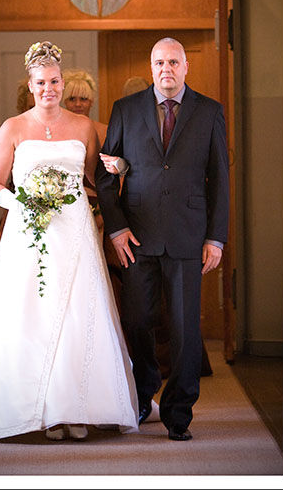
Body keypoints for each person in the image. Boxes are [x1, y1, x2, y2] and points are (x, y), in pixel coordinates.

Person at [0, 41, 138, 442]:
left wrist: (119, 166)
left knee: (77, 315)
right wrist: (21, 203)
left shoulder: (83, 127)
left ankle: (76, 409)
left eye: (54, 81)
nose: (49, 89)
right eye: (41, 83)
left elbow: (98, 179)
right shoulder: (13, 127)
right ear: (31, 85)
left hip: (74, 232)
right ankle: (43, 413)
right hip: (30, 232)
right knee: (30, 315)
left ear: (62, 82)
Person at [95, 37, 229, 441]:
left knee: (185, 330)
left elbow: (220, 179)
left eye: (173, 62)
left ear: (186, 66)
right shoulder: (125, 109)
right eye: (159, 63)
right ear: (151, 67)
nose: (166, 69)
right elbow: (105, 173)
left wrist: (216, 238)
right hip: (137, 237)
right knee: (137, 321)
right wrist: (116, 228)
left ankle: (178, 413)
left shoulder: (209, 111)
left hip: (189, 236)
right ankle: (143, 391)